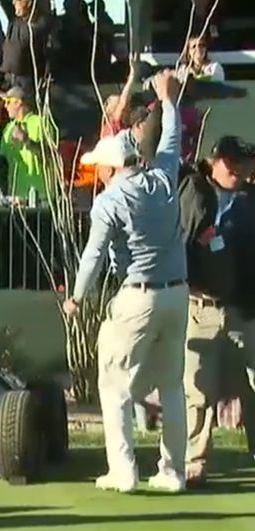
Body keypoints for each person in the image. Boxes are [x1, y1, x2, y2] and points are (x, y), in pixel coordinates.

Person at [65, 69, 188, 494]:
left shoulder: (110, 201)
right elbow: (171, 139)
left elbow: (94, 254)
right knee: (172, 385)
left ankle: (124, 470)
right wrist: (169, 101)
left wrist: (76, 298)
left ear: (114, 166)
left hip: (137, 296)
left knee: (114, 383)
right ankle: (173, 472)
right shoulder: (163, 178)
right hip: (178, 294)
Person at [178, 136, 255, 485]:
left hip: (244, 311)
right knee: (197, 390)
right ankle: (195, 460)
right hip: (201, 307)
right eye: (229, 161)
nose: (236, 168)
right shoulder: (195, 194)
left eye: (243, 161)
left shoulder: (250, 204)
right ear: (214, 162)